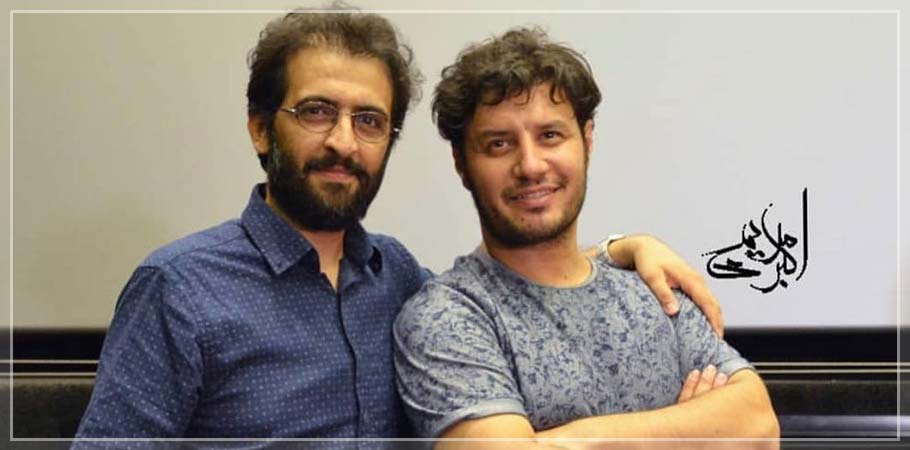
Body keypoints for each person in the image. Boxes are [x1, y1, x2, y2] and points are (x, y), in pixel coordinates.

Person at [73, 8, 724, 443]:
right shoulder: (180, 289)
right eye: (316, 112)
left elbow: (528, 273)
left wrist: (619, 249)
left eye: (369, 121)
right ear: (261, 128)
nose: (343, 142)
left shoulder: (398, 277)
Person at [393, 27, 780, 449]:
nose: (531, 166)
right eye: (499, 144)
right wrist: (693, 432)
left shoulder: (655, 290)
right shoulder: (447, 316)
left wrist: (562, 441)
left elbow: (759, 425)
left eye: (550, 136)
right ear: (461, 164)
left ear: (587, 140)